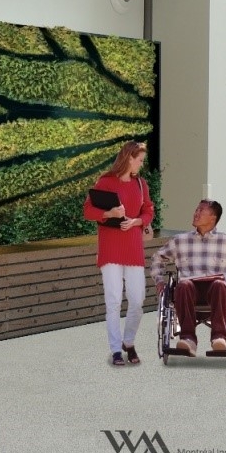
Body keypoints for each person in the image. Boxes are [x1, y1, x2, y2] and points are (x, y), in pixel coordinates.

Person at [83, 141, 154, 366]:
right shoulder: (105, 181)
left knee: (137, 300)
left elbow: (148, 210)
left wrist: (136, 222)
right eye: (139, 160)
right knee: (113, 300)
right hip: (110, 248)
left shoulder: (141, 184)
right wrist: (109, 213)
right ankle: (116, 349)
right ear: (129, 158)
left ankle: (128, 341)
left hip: (133, 248)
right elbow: (88, 211)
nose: (141, 164)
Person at [150, 199, 226, 356]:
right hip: (188, 293)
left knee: (219, 284)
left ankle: (220, 337)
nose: (196, 213)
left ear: (213, 217)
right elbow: (157, 258)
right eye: (196, 210)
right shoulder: (180, 241)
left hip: (219, 295)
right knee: (183, 285)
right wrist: (159, 281)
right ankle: (188, 339)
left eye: (201, 210)